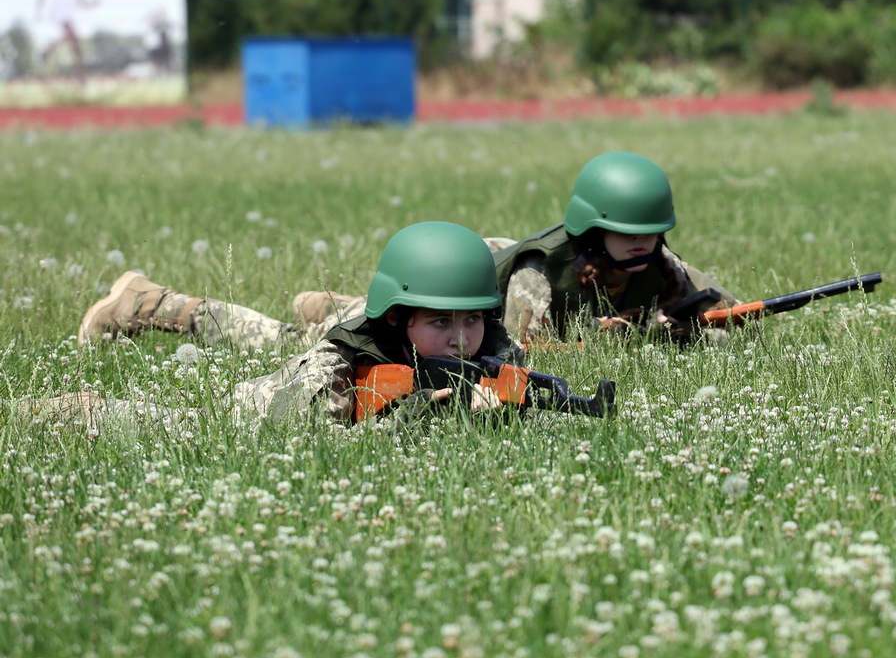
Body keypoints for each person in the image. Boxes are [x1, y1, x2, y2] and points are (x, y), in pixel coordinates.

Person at [29, 222, 523, 429]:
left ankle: (324, 305)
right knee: (185, 424)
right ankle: (79, 409)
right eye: (441, 321)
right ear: (397, 317)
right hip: (264, 411)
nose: (462, 338)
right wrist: (408, 424)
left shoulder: (491, 347)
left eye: (472, 319)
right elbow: (319, 446)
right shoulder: (337, 363)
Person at [291, 151, 740, 347]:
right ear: (592, 229)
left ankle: (329, 302)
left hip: (457, 302)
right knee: (343, 329)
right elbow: (525, 348)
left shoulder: (657, 263)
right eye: (626, 232)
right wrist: (634, 337)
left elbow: (737, 315)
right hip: (446, 298)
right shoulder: (539, 272)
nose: (641, 242)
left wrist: (695, 332)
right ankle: (319, 308)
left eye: (651, 232)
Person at [35, 0, 100, 77]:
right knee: (74, 38)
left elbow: (83, 4)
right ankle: (46, 51)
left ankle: (80, 76)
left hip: (70, 16)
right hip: (58, 14)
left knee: (77, 46)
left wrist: (93, 3)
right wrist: (39, 12)